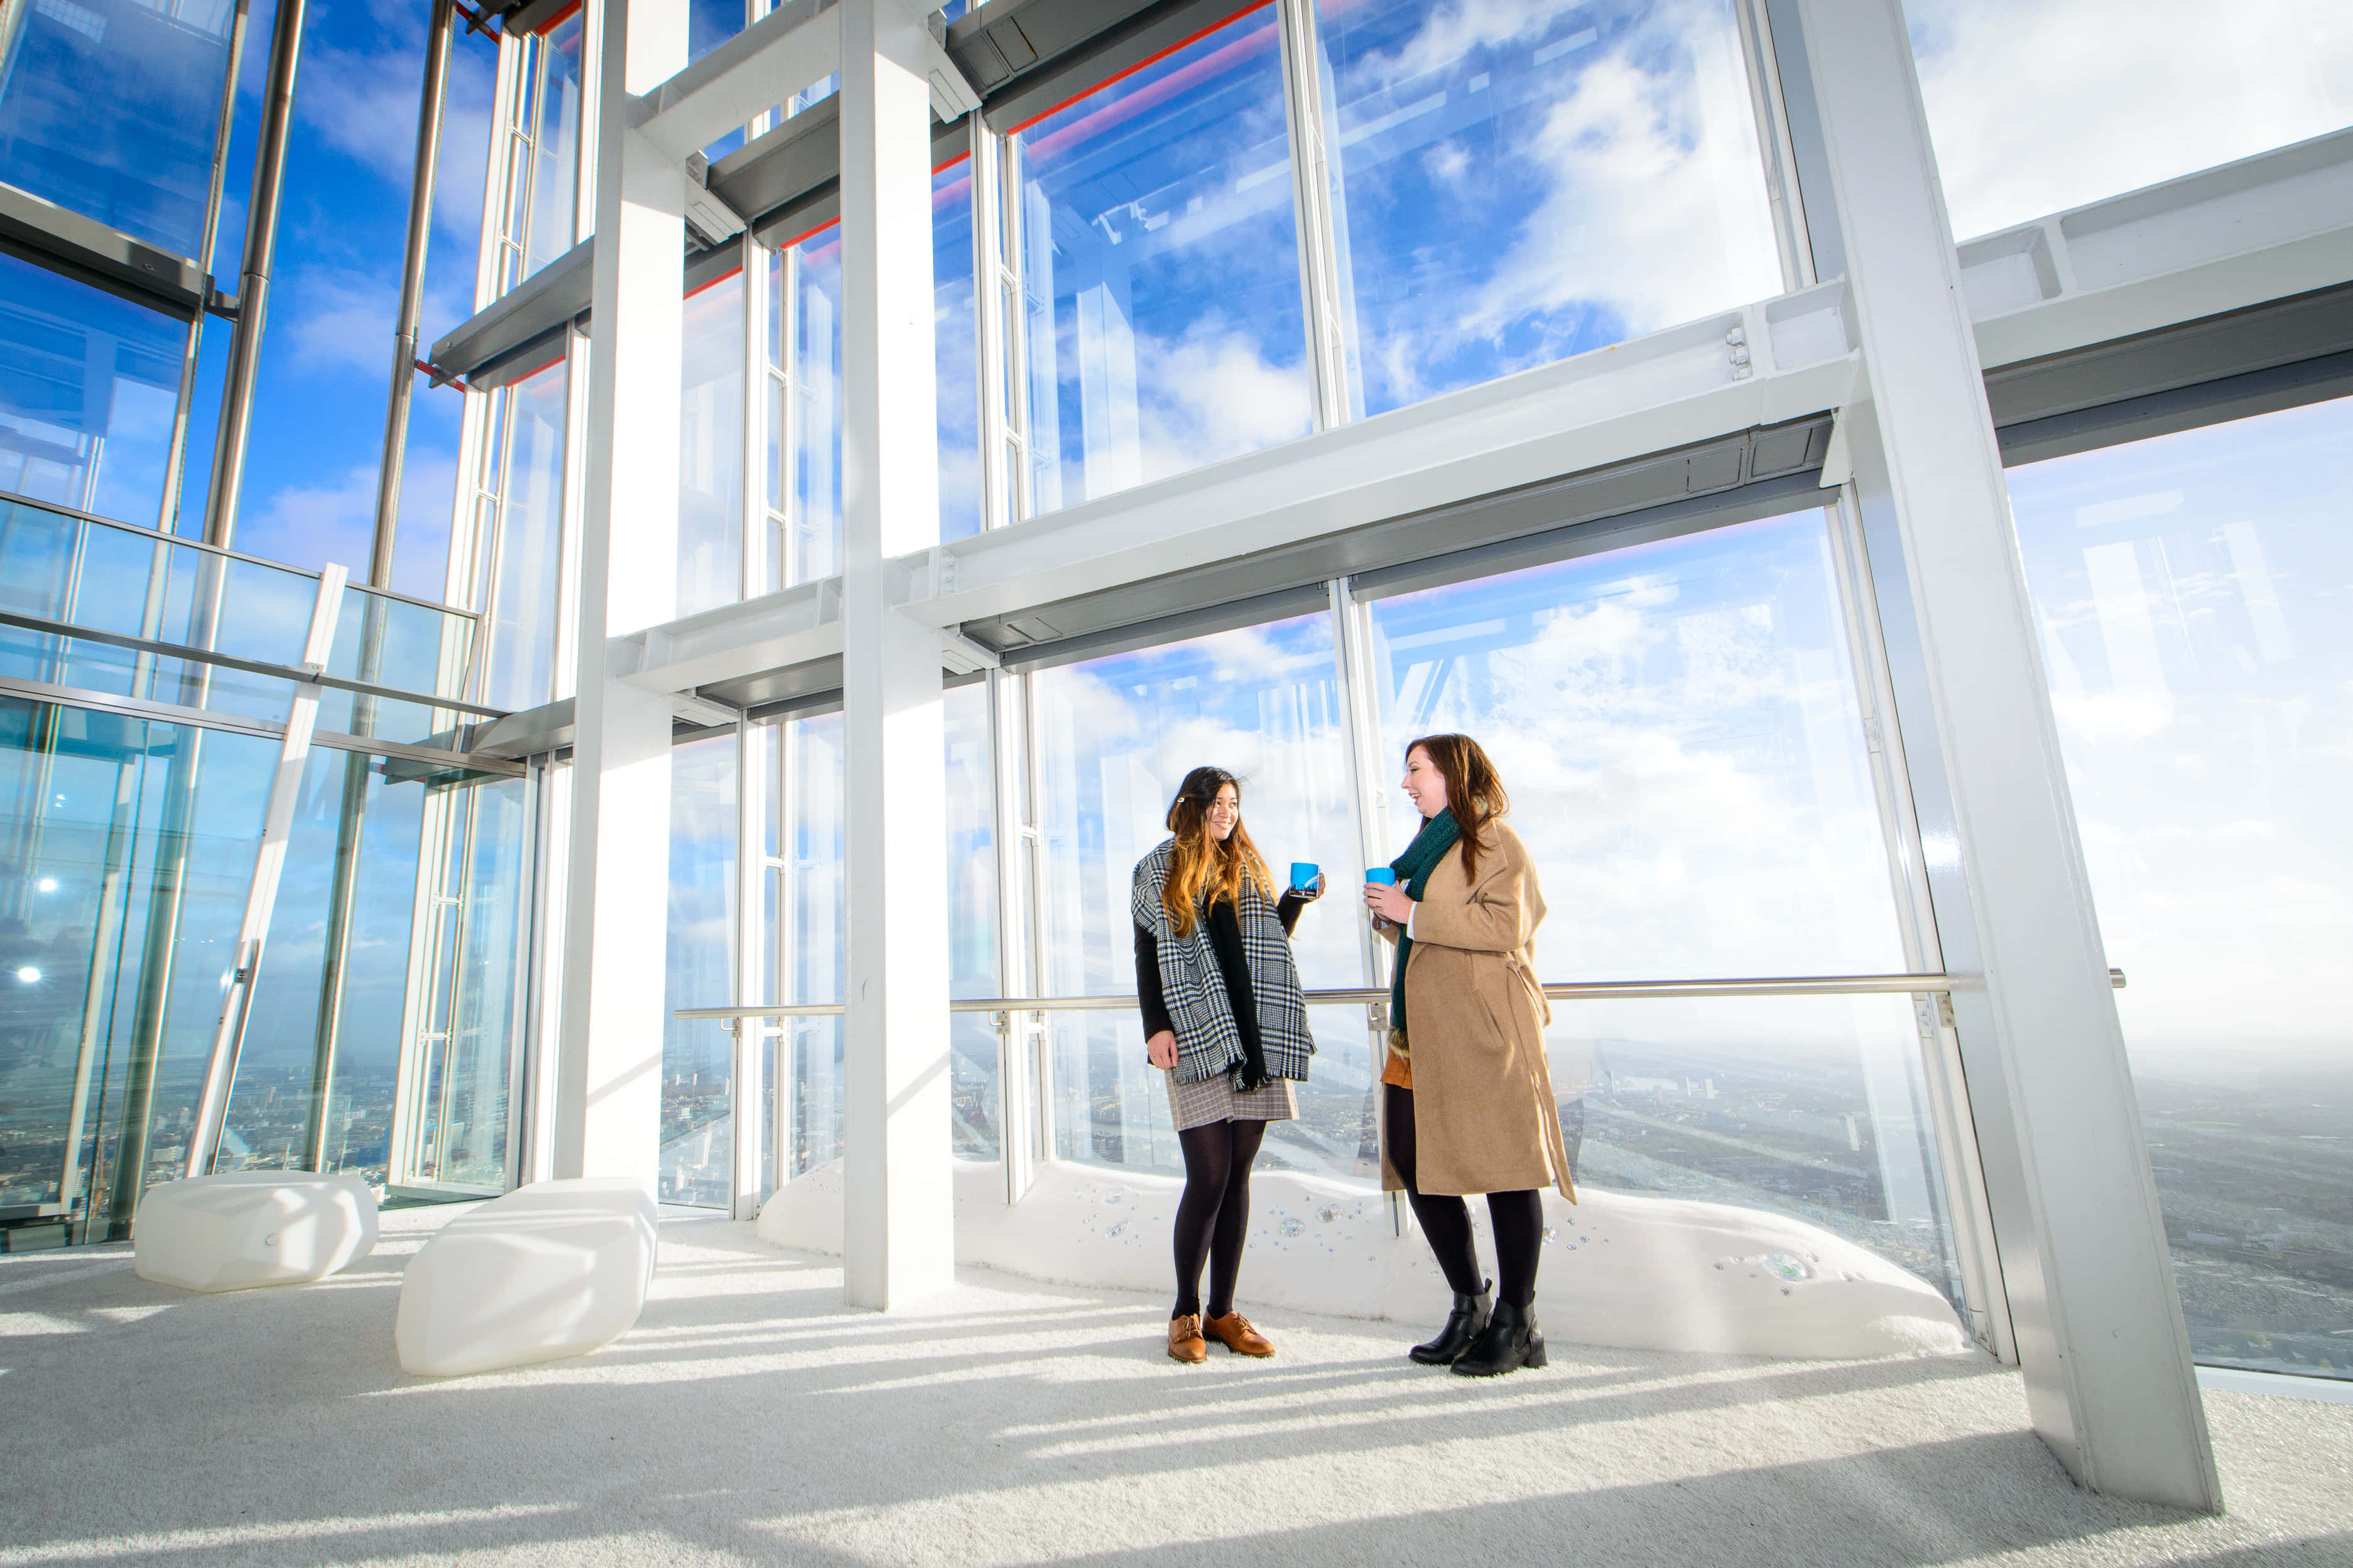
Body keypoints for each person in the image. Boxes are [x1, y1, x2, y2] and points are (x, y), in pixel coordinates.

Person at [1362, 733, 1574, 1377]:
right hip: (1417, 1032)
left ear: (1453, 773)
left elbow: (1507, 926)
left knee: (1505, 1167)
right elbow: (1430, 925)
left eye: (1415, 770)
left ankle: (1518, 1319)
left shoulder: (1495, 840)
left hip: (1480, 1030)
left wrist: (1412, 914)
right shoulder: (1428, 849)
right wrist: (1395, 917)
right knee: (1412, 1161)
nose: (1405, 784)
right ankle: (1470, 1306)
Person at [1133, 766, 1321, 1365]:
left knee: (1238, 1174)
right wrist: (1155, 1026)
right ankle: (1185, 1309)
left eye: (1235, 803)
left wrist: (1292, 902)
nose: (1228, 812)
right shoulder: (1157, 867)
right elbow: (1145, 949)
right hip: (1197, 1029)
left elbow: (1264, 940)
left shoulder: (1245, 864)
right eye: (1218, 802)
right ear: (1192, 804)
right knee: (1208, 1175)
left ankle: (1222, 1310)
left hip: (1255, 1032)